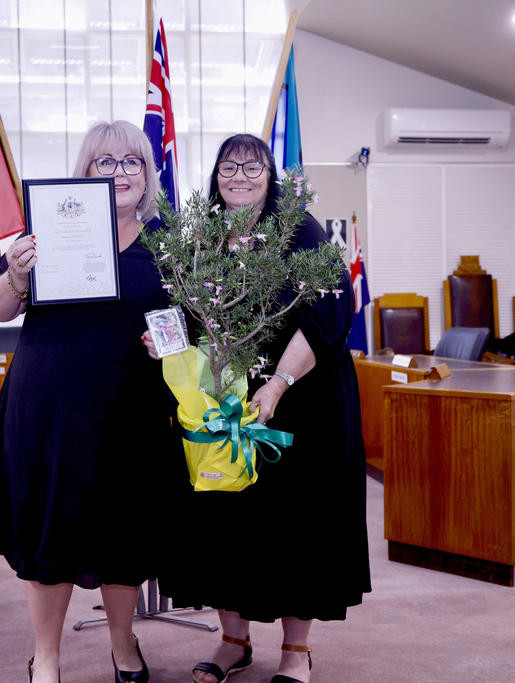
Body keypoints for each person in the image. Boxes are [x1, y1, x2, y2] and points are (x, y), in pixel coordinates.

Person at [0, 120, 183, 683]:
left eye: (131, 162)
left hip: (130, 407)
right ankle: (47, 655)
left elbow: (186, 328)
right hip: (50, 406)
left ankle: (123, 645)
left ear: (147, 174)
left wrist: (163, 340)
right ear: (85, 171)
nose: (120, 173)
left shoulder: (169, 244)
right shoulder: (43, 227)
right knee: (52, 528)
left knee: (123, 530)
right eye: (105, 162)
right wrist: (17, 273)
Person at [156, 134, 371, 683]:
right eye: (229, 166)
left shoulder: (299, 230)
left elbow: (327, 317)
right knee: (225, 523)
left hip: (299, 396)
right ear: (215, 175)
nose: (240, 176)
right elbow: (186, 310)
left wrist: (276, 384)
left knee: (297, 525)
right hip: (226, 400)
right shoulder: (203, 238)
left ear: (271, 175)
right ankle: (233, 640)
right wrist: (168, 343)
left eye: (254, 166)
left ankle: (296, 652)